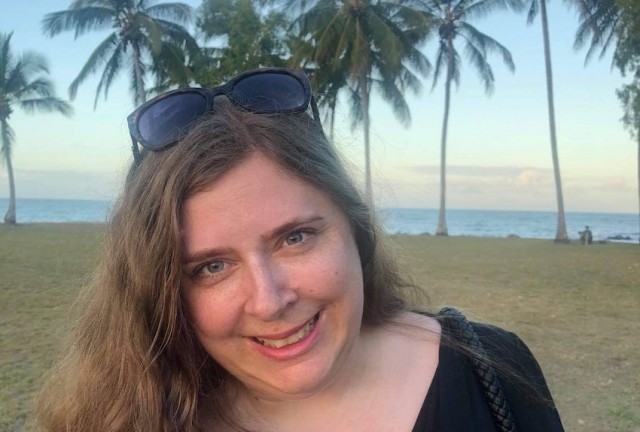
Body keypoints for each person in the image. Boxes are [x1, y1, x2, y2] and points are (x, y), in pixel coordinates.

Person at [36, 68, 564, 432]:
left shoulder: (491, 368)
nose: (269, 300)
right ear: (163, 292)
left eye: (295, 238)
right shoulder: (140, 417)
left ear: (354, 229)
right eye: (211, 267)